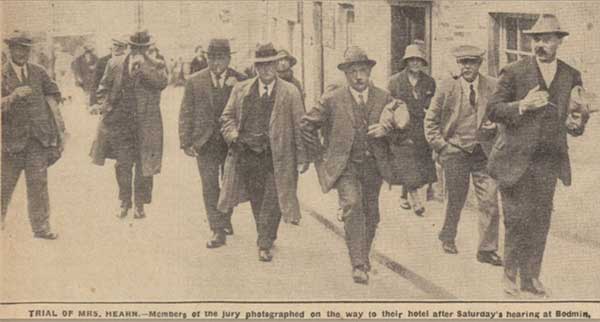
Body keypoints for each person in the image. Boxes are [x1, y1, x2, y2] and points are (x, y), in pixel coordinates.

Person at [487, 14, 589, 297]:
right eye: (536, 39)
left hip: (548, 161)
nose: (540, 45)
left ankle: (530, 277)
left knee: (540, 221)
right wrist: (522, 105)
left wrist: (576, 124)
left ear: (559, 41)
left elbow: (576, 118)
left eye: (546, 39)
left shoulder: (571, 75)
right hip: (514, 160)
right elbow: (493, 109)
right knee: (516, 220)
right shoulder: (514, 71)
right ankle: (509, 275)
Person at [300, 46, 400, 284]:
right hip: (346, 167)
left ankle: (362, 256)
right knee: (354, 206)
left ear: (369, 72)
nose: (358, 76)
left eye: (362, 71)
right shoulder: (333, 99)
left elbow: (401, 133)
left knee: (372, 215)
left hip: (374, 167)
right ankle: (358, 264)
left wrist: (387, 130)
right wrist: (321, 155)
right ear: (346, 75)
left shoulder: (384, 98)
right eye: (353, 71)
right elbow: (306, 124)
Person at [218, 42, 308, 262]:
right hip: (248, 155)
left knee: (274, 197)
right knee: (258, 199)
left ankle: (264, 243)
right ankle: (266, 235)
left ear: (277, 65)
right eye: (261, 65)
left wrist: (303, 157)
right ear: (255, 68)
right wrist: (234, 136)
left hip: (278, 157)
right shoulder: (241, 90)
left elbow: (300, 126)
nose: (266, 70)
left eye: (270, 65)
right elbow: (226, 118)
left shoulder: (290, 92)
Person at [424, 45, 502, 267]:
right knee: (455, 199)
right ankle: (447, 236)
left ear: (480, 64)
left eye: (472, 62)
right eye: (463, 62)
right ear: (458, 64)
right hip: (455, 151)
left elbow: (501, 115)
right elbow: (430, 122)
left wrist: (494, 125)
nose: (467, 67)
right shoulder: (447, 87)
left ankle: (486, 250)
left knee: (489, 200)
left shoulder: (492, 86)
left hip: (483, 153)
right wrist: (442, 146)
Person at [90, 30, 168, 219]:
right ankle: (125, 202)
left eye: (142, 48)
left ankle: (140, 204)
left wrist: (144, 70)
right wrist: (106, 106)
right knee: (122, 165)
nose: (137, 51)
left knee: (144, 165)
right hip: (121, 123)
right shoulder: (115, 63)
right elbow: (102, 88)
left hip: (146, 124)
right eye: (134, 48)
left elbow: (162, 82)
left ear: (148, 48)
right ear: (129, 47)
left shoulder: (157, 65)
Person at [179, 39, 246, 248]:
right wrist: (185, 141)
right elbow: (186, 112)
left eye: (222, 58)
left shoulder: (241, 80)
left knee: (229, 184)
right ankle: (217, 229)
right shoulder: (194, 81)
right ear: (207, 58)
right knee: (209, 185)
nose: (217, 63)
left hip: (230, 144)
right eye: (213, 58)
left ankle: (225, 218)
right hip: (205, 142)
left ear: (229, 58)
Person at [1, 30, 65, 238]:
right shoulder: (1, 74)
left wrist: (53, 116)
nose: (22, 53)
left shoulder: (39, 72)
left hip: (37, 139)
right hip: (11, 142)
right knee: (4, 184)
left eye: (26, 49)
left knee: (38, 184)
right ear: (10, 49)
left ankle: (41, 227)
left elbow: (53, 92)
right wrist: (12, 97)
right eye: (18, 48)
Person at [388, 44, 437, 215]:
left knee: (419, 161)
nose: (415, 63)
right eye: (411, 60)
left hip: (421, 128)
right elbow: (389, 105)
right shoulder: (395, 81)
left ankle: (407, 193)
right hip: (403, 128)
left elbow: (433, 105)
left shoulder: (429, 81)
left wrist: (429, 110)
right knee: (407, 162)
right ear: (406, 62)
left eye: (418, 60)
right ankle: (413, 200)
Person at [89, 35, 128, 106]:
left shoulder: (127, 61)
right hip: (107, 101)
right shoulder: (102, 61)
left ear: (125, 48)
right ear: (111, 46)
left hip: (123, 100)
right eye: (115, 45)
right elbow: (95, 82)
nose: (117, 48)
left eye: (120, 46)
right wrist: (94, 103)